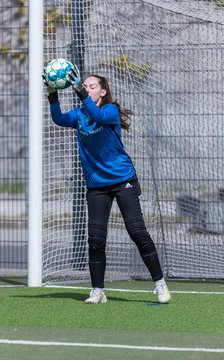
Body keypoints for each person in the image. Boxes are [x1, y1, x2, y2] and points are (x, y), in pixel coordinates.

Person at [44, 66, 171, 304]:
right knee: (96, 238)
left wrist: (80, 91)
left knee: (137, 232)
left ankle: (160, 284)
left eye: (92, 86)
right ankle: (97, 290)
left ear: (102, 92)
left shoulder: (109, 110)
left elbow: (99, 117)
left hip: (123, 180)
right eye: (86, 86)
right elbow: (58, 118)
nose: (87, 89)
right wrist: (52, 92)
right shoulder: (78, 115)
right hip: (97, 185)